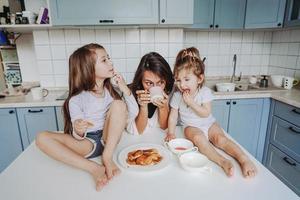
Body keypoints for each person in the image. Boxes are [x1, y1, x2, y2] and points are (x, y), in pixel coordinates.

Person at [36, 43, 131, 191]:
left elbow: (128, 113)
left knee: (119, 105)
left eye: (109, 58)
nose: (110, 62)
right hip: (87, 142)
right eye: (104, 60)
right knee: (42, 138)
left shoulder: (111, 91)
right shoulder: (77, 100)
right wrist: (78, 129)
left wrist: (124, 88)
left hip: (108, 141)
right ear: (89, 68)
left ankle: (107, 157)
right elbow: (78, 136)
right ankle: (94, 168)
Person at [166, 47, 257, 178]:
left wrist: (191, 103)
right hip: (191, 127)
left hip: (208, 123)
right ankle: (223, 161)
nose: (182, 85)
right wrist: (171, 132)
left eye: (186, 79)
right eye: (178, 80)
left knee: (220, 139)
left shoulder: (205, 93)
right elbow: (173, 115)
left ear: (199, 79)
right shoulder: (177, 96)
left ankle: (244, 160)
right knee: (199, 139)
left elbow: (205, 113)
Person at [127, 52, 174, 135]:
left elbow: (164, 127)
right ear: (140, 80)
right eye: (149, 83)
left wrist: (163, 107)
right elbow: (138, 131)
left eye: (160, 82)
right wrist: (143, 107)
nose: (155, 87)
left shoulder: (170, 90)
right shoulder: (131, 93)